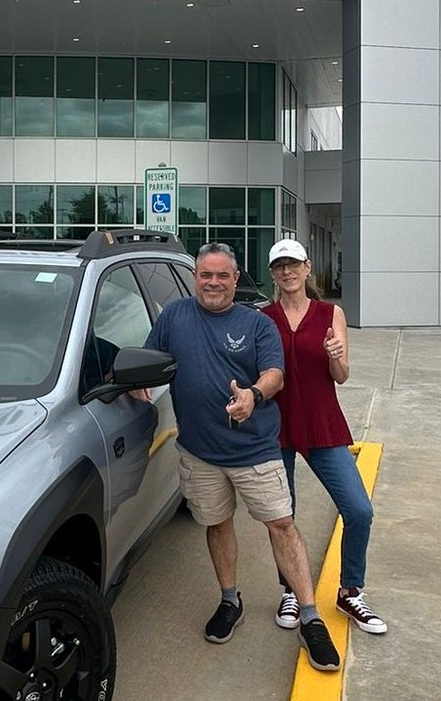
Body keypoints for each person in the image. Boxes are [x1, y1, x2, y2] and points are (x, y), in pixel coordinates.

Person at [145, 242, 340, 672]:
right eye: (205, 275)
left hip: (254, 449)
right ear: (196, 277)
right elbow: (150, 361)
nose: (212, 282)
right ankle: (230, 600)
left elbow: (276, 374)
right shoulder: (175, 316)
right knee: (217, 525)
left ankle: (309, 616)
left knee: (282, 524)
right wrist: (135, 386)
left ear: (236, 279)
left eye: (222, 276)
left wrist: (253, 395)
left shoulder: (254, 323)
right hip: (199, 452)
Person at [262, 238, 386, 634]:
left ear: (307, 267)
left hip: (321, 421)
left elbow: (342, 375)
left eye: (293, 264)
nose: (287, 271)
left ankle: (350, 591)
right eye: (280, 266)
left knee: (358, 510)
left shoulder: (331, 313)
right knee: (283, 517)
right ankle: (291, 591)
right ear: (273, 274)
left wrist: (335, 355)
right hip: (275, 427)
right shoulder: (263, 318)